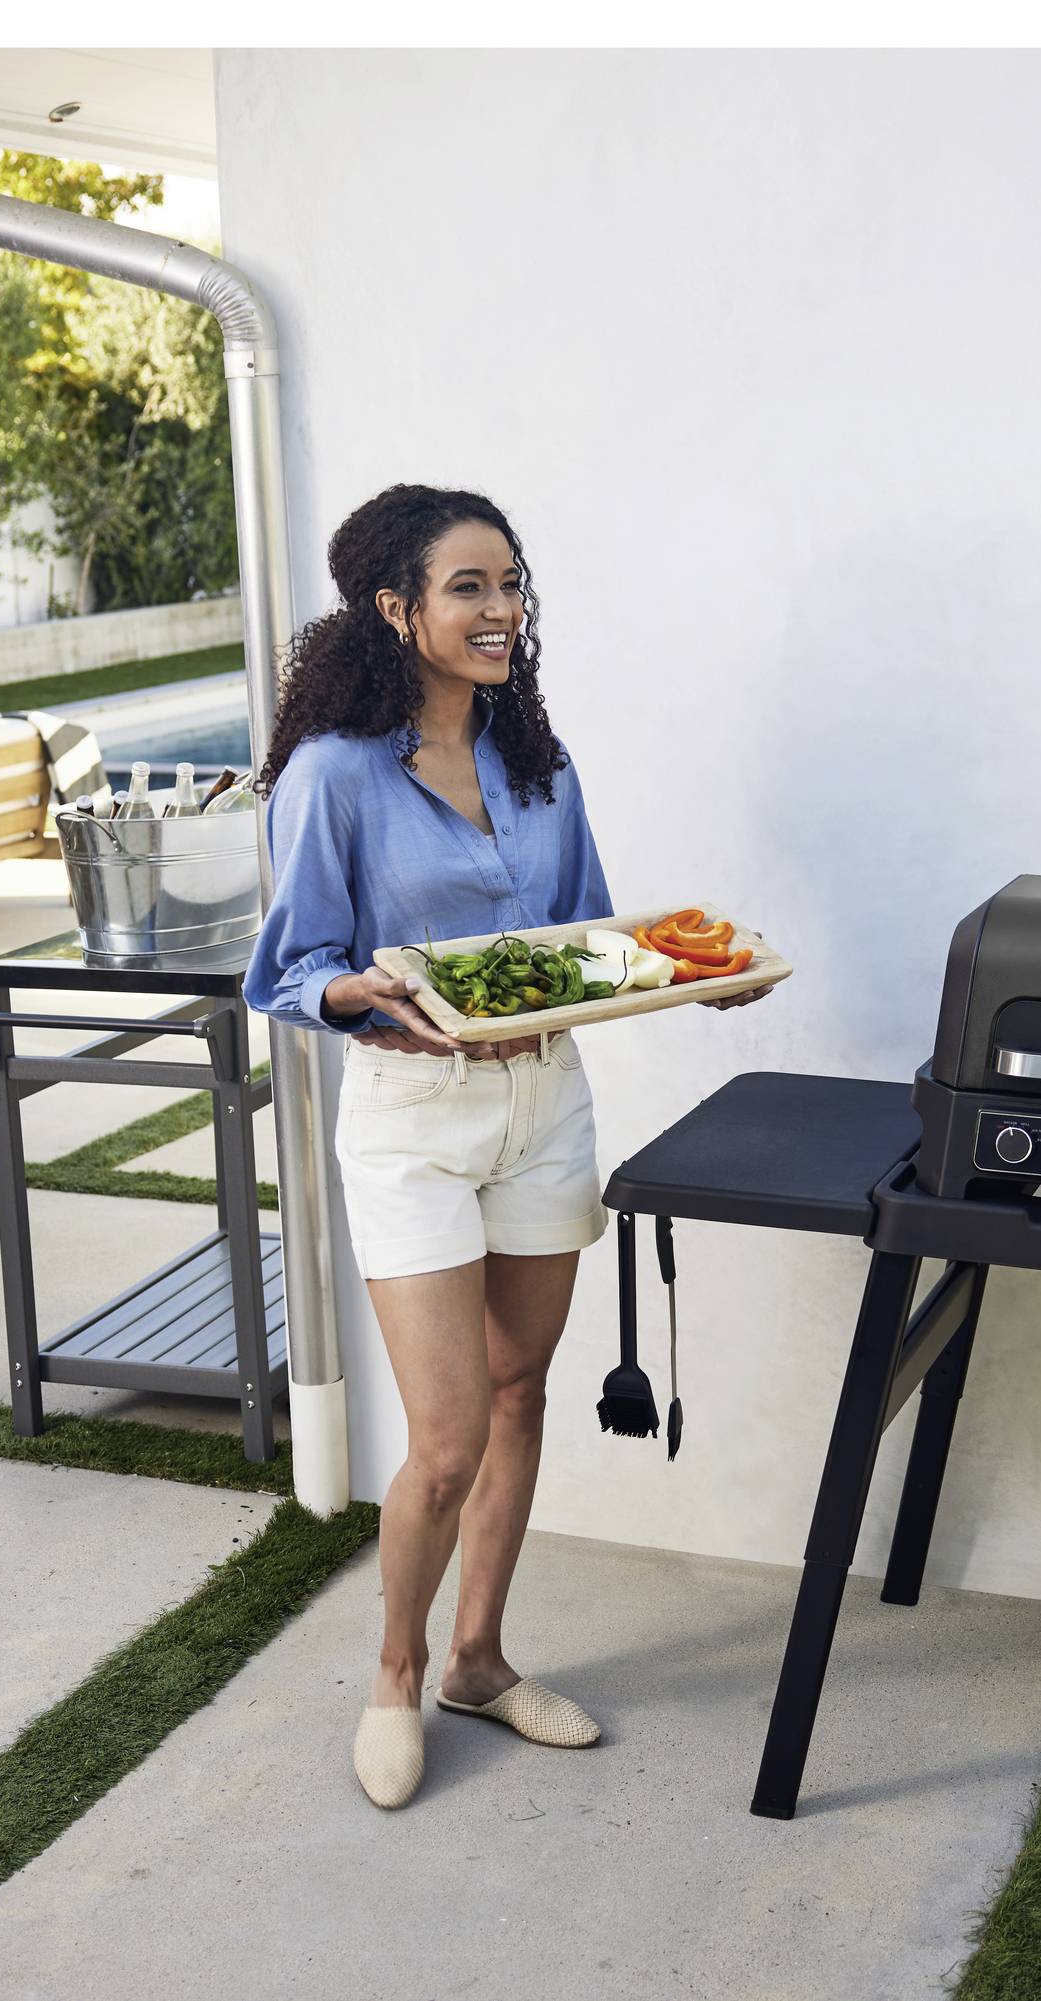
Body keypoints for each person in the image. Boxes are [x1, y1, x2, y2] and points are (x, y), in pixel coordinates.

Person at [245, 483, 764, 1810]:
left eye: (511, 584)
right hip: (414, 1121)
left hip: (547, 1105)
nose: (499, 610)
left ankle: (478, 1658)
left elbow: (593, 942)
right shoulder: (333, 774)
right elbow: (291, 968)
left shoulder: (539, 765)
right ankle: (396, 1672)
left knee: (521, 1391)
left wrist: (690, 975)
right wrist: (359, 992)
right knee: (445, 1441)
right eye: (467, 587)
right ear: (395, 607)